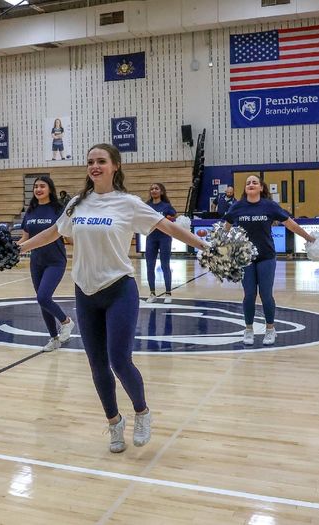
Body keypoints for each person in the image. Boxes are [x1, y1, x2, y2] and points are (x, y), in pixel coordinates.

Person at [19, 144, 208, 453]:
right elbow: (54, 232)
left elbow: (168, 227)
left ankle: (142, 411)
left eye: (101, 161)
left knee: (119, 361)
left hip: (119, 288)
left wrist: (205, 246)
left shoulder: (129, 203)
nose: (95, 166)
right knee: (97, 366)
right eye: (91, 161)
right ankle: (113, 422)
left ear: (115, 166)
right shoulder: (78, 204)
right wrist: (19, 249)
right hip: (85, 291)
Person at [223, 175, 316, 346]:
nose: (251, 184)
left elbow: (291, 224)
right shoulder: (237, 207)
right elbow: (224, 229)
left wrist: (309, 238)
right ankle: (249, 329)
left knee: (266, 295)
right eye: (248, 183)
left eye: (254, 183)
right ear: (245, 189)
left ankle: (270, 329)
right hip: (245, 258)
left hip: (266, 256)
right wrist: (218, 247)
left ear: (261, 188)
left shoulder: (269, 206)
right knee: (249, 295)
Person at [19, 176, 75, 352]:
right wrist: (8, 249)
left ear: (50, 189)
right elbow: (25, 238)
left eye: (42, 186)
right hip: (36, 261)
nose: (38, 189)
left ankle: (66, 322)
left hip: (55, 261)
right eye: (35, 186)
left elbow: (68, 236)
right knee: (43, 301)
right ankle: (54, 338)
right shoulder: (30, 211)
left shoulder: (58, 209)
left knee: (43, 297)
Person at [144, 183, 177, 304]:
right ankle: (152, 293)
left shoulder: (166, 206)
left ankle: (168, 293)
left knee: (165, 265)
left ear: (161, 192)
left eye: (156, 188)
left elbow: (174, 217)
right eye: (151, 188)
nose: (153, 190)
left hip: (165, 238)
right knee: (149, 265)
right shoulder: (146, 206)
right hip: (151, 238)